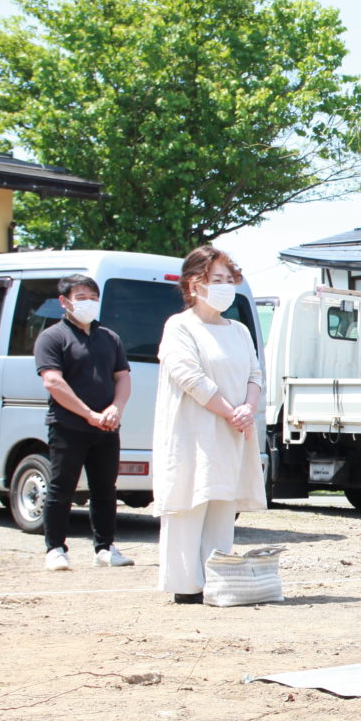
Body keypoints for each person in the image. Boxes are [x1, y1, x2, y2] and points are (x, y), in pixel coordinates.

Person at [153, 247, 264, 604]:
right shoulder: (179, 326)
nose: (225, 287)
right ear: (194, 283)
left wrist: (248, 407)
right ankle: (186, 586)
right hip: (192, 433)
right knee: (189, 501)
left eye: (229, 280)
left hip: (232, 432)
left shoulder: (240, 330)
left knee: (221, 503)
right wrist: (230, 410)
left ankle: (218, 582)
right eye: (216, 280)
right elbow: (191, 378)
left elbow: (254, 373)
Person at [34, 275, 134, 571]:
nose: (88, 302)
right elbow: (53, 381)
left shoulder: (109, 337)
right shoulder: (52, 337)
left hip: (106, 428)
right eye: (81, 297)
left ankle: (105, 547)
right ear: (64, 301)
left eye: (93, 297)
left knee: (105, 488)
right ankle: (55, 548)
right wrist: (89, 414)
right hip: (68, 426)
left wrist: (116, 408)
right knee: (62, 487)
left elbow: (123, 377)